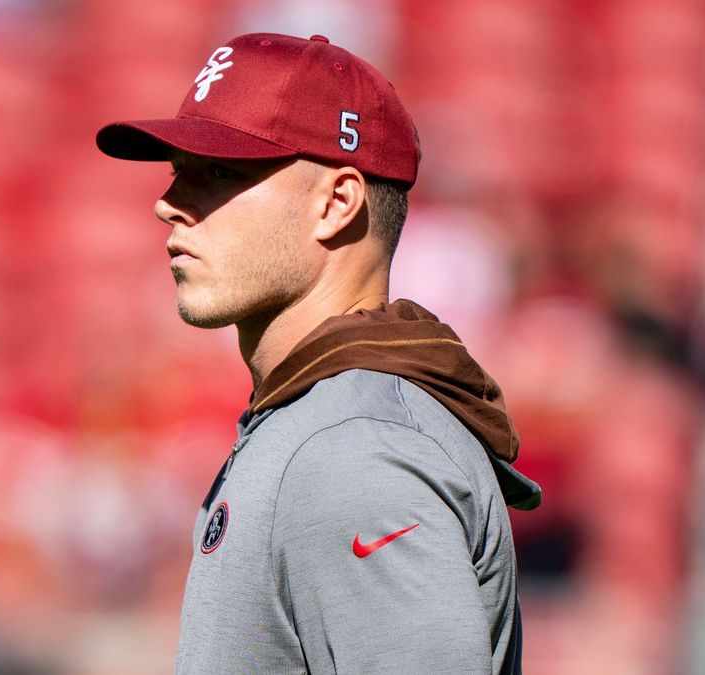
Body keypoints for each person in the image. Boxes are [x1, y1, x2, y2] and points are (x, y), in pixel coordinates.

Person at [96, 32, 541, 674]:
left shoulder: (356, 449)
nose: (168, 204)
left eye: (221, 172)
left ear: (337, 203)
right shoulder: (322, 422)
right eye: (177, 172)